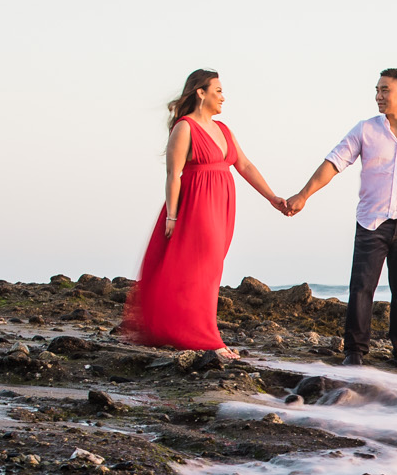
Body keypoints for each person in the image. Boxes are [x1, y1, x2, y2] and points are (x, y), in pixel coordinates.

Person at [285, 69, 397, 371]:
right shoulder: (365, 130)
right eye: (377, 90)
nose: (378, 96)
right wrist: (303, 195)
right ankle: (355, 352)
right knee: (361, 289)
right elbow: (333, 163)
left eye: (384, 90)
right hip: (371, 222)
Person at [124, 70, 292, 352]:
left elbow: (245, 165)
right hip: (196, 204)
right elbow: (173, 175)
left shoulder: (224, 129)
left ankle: (189, 329)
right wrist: (172, 216)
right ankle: (206, 338)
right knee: (200, 268)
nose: (223, 97)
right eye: (218, 91)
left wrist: (271, 197)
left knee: (211, 269)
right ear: (201, 93)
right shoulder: (185, 127)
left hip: (222, 205)